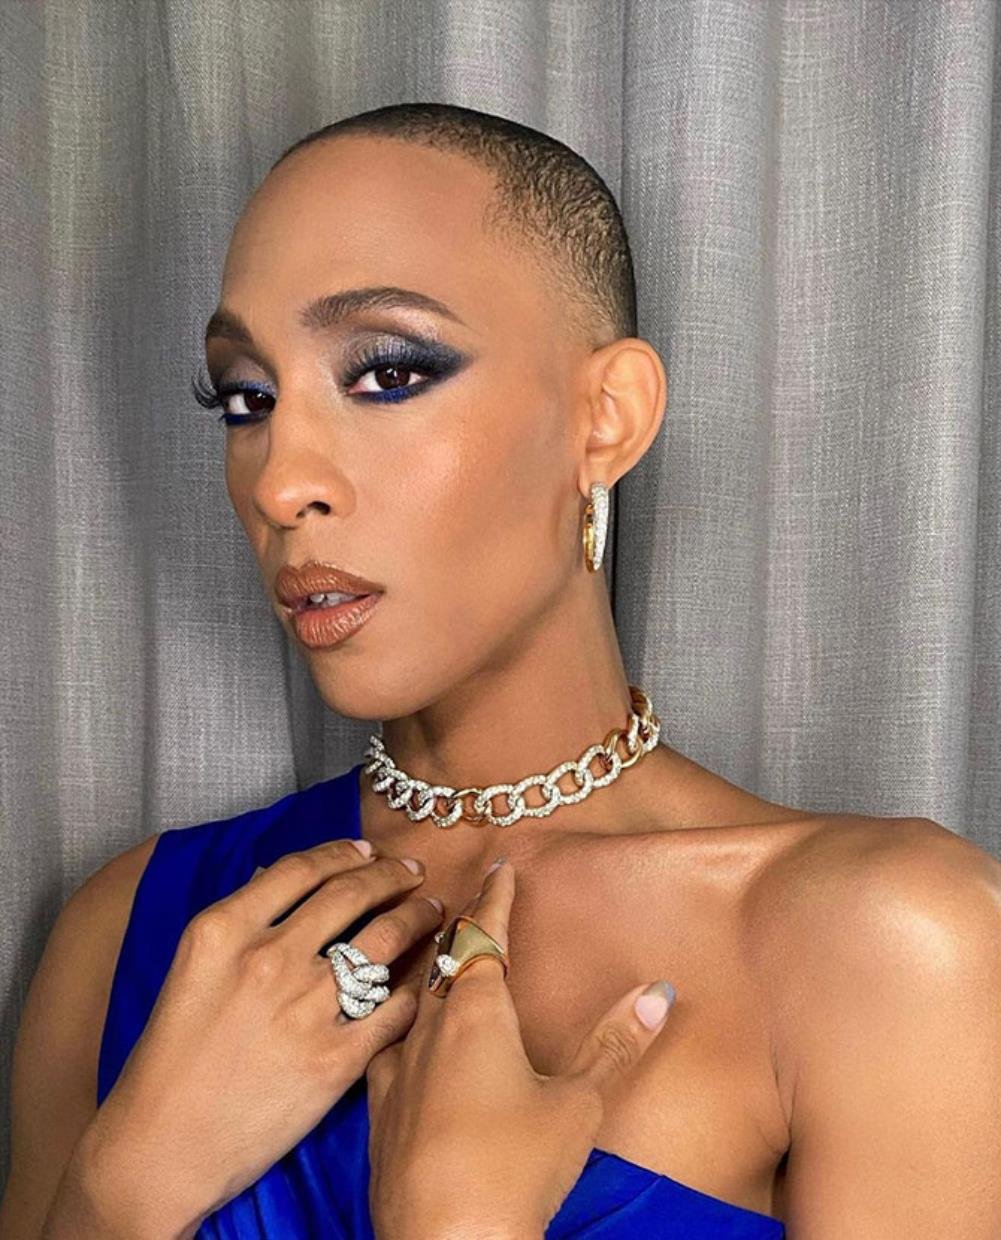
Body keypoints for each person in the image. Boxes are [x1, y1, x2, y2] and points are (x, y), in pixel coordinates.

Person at [4, 101, 1000, 1239]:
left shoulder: (885, 943)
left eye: (387, 373)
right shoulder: (127, 927)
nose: (281, 483)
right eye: (247, 398)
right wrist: (126, 1184)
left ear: (605, 418)